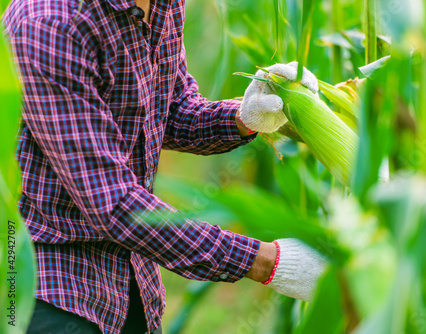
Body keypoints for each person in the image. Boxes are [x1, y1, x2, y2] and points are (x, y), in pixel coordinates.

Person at [2, 0, 327, 332]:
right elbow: (114, 205)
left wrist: (242, 117)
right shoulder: (50, 24)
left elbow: (168, 109)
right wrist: (265, 262)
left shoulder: (164, 5)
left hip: (132, 281)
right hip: (47, 282)